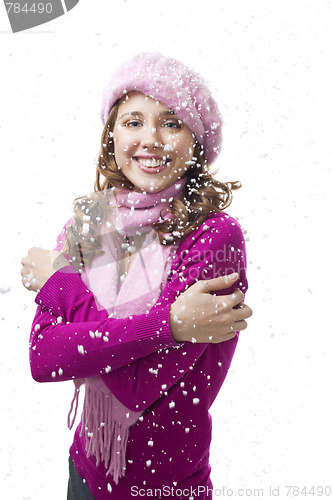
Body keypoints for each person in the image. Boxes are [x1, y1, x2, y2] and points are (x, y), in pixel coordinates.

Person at [20, 52, 252, 500]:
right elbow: (44, 357)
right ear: (112, 135)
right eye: (133, 122)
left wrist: (60, 282)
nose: (151, 139)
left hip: (164, 485)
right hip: (87, 468)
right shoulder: (88, 225)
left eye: (171, 122)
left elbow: (133, 384)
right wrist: (171, 324)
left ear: (196, 140)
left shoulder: (214, 237)